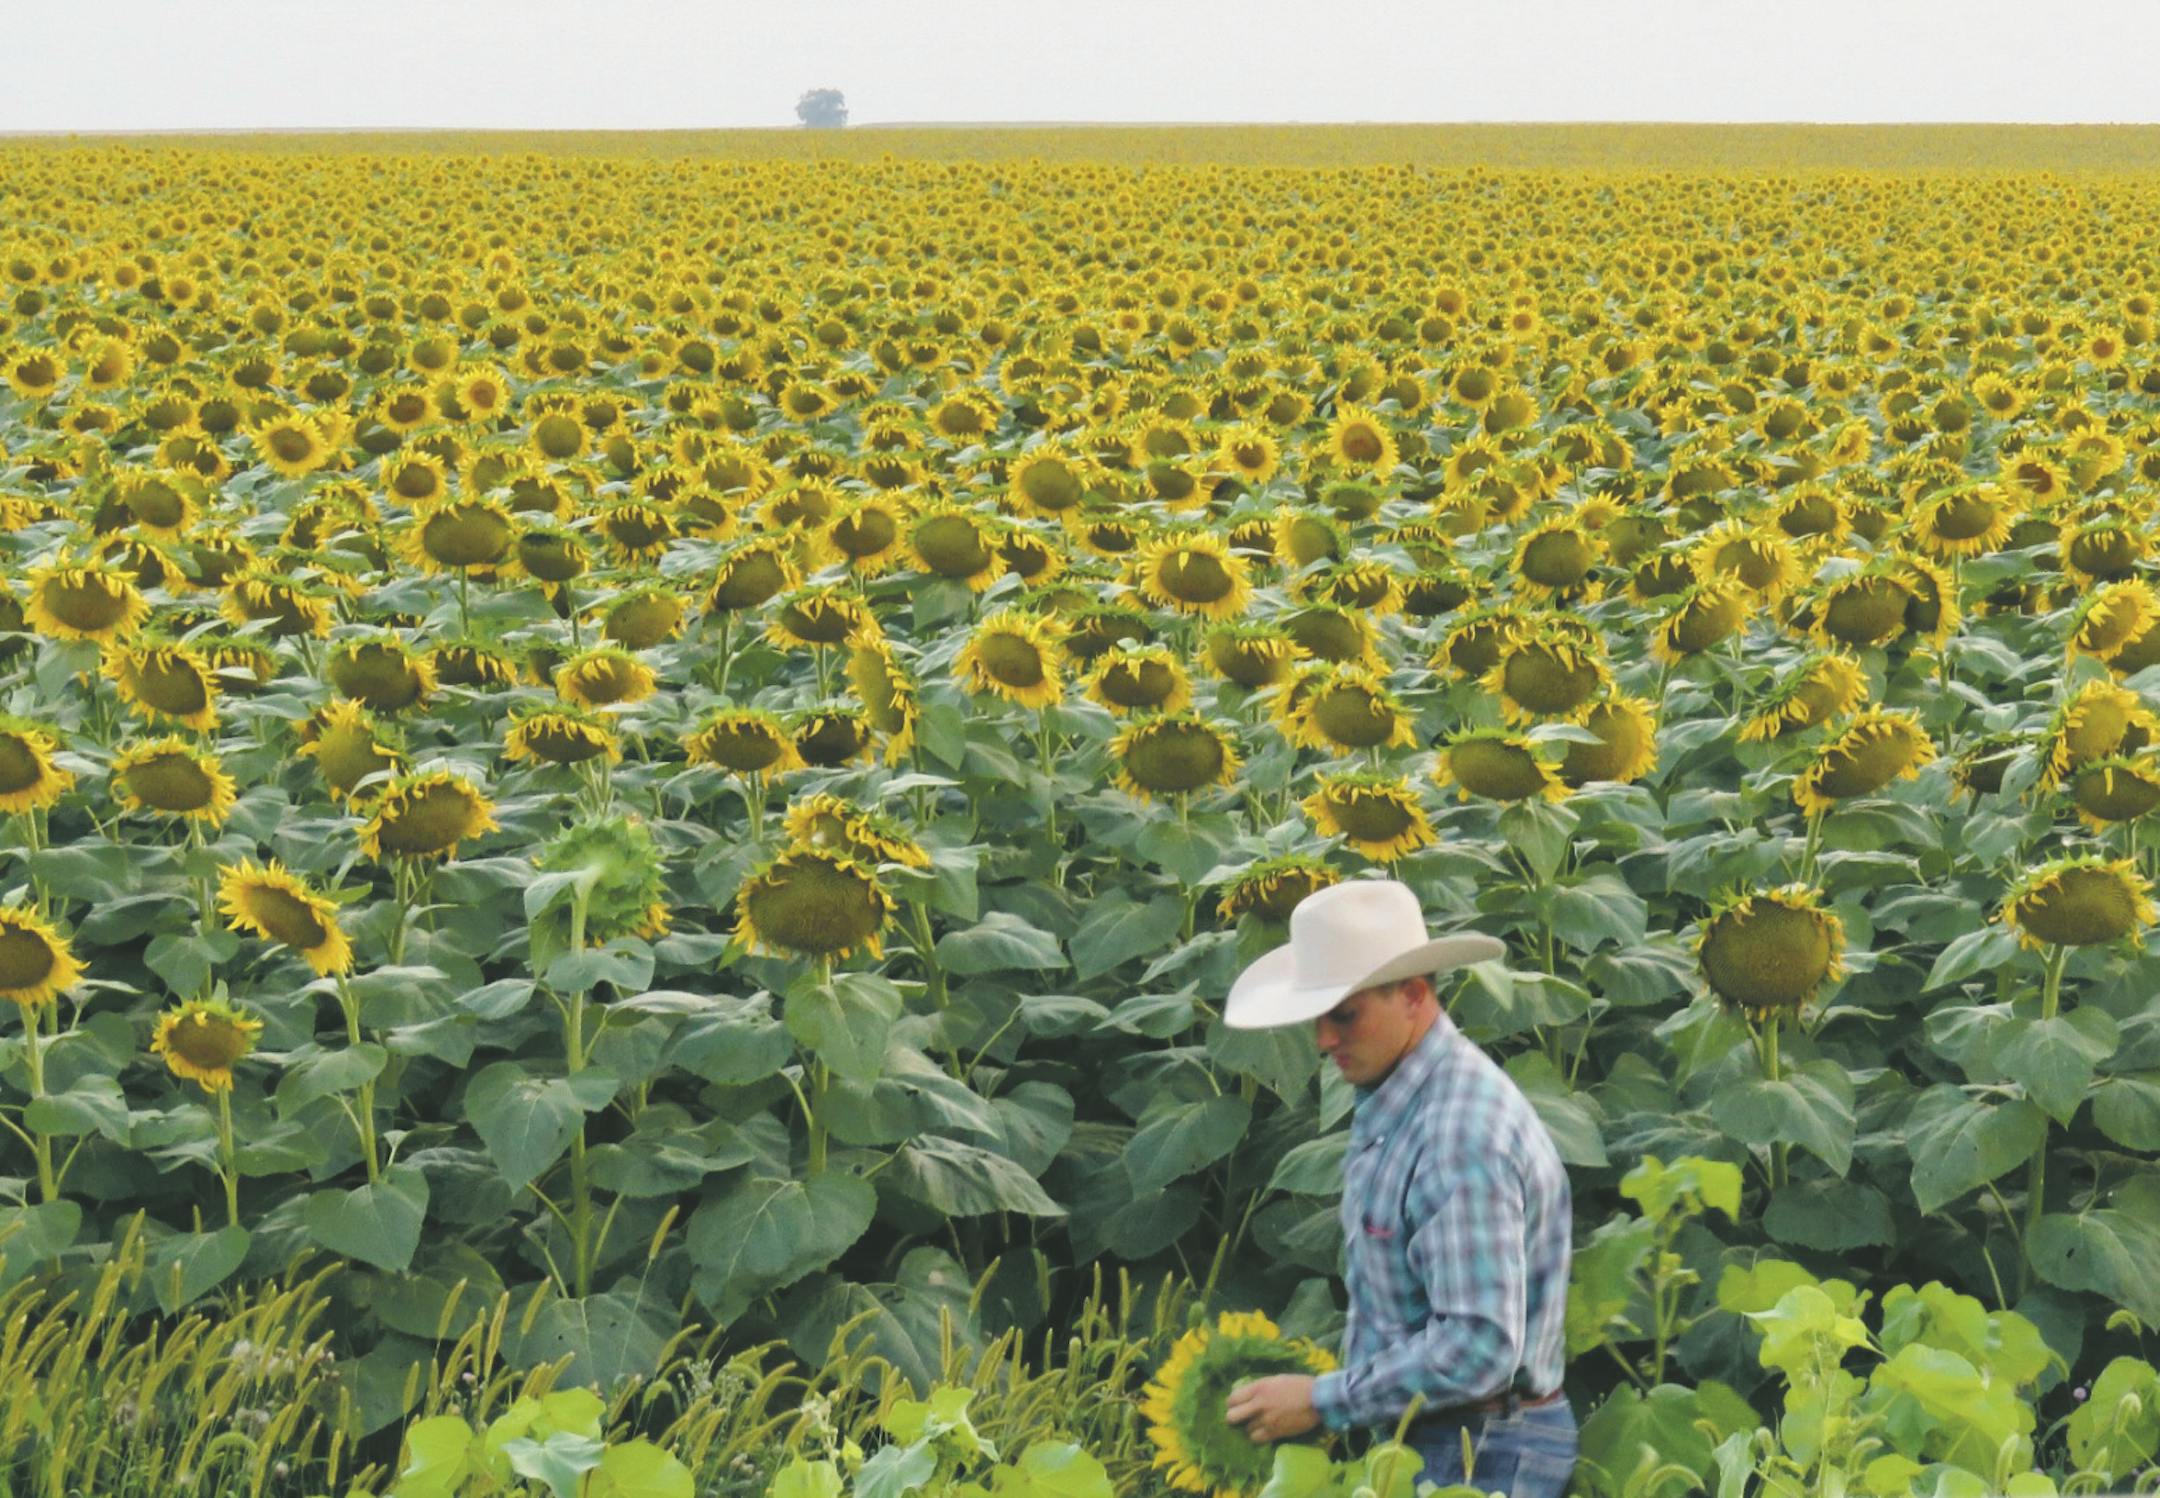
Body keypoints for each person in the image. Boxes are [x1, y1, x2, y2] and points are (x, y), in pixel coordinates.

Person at [1216, 877, 1577, 1498]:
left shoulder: (1458, 1133)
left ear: (1413, 995)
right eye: (1318, 1018)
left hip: (1480, 1448)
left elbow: (1478, 1343)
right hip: (1441, 1433)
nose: (1324, 1040)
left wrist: (1324, 1401)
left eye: (1345, 1015)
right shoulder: (1404, 1093)